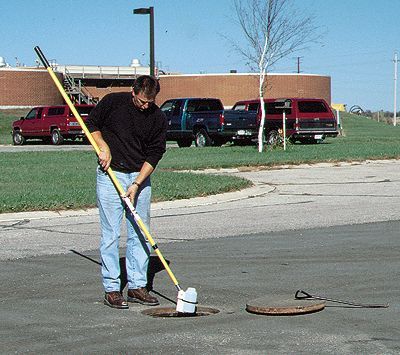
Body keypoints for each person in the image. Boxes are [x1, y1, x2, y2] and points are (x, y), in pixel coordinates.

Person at [86, 75, 167, 309]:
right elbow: (92, 124)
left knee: (140, 231)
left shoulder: (157, 118)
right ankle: (112, 288)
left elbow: (155, 154)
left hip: (138, 177)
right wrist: (103, 147)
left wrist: (137, 184)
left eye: (149, 103)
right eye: (142, 101)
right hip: (111, 174)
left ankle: (137, 286)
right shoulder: (113, 102)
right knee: (111, 233)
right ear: (133, 93)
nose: (145, 106)